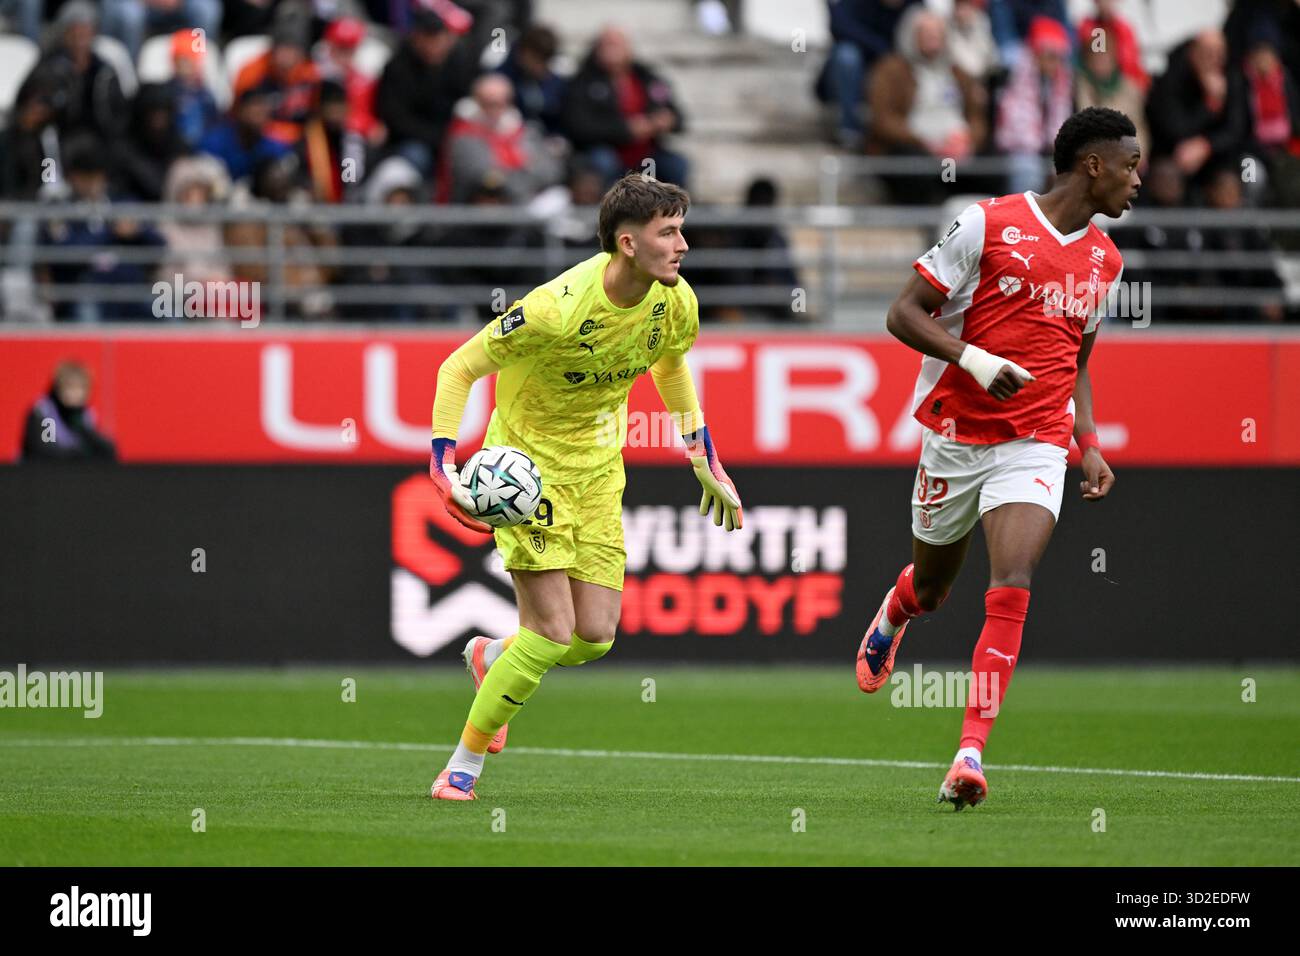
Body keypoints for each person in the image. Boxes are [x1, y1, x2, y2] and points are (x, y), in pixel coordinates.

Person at [425, 174, 744, 801]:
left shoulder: (674, 301)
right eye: (669, 232)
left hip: (599, 472)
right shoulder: (555, 309)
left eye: (682, 229)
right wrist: (444, 465)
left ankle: (493, 658)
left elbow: (670, 363)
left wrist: (698, 448)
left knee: (594, 636)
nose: (683, 245)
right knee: (549, 632)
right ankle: (461, 765)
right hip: (527, 471)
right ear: (628, 243)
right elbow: (458, 366)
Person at [858, 107, 1139, 810]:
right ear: (1093, 165)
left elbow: (1078, 359)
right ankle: (898, 608)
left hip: (1036, 440)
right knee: (934, 588)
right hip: (956, 435)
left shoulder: (1107, 261)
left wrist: (1090, 440)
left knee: (1011, 582)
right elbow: (903, 312)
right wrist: (974, 359)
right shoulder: (989, 223)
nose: (1140, 180)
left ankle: (969, 753)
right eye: (1131, 165)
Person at [560, 26, 689, 187]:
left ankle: (672, 210)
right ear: (597, 50)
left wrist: (668, 120)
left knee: (676, 165)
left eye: (617, 45)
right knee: (602, 162)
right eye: (608, 45)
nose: (612, 51)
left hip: (646, 154)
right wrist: (626, 130)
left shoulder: (646, 77)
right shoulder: (583, 82)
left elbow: (678, 116)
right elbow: (578, 127)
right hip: (607, 151)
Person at [21, 362, 117, 461]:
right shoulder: (45, 413)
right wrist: (80, 454)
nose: (75, 394)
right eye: (70, 387)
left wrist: (83, 429)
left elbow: (107, 450)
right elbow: (45, 451)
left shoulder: (85, 416)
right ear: (58, 389)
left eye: (80, 388)